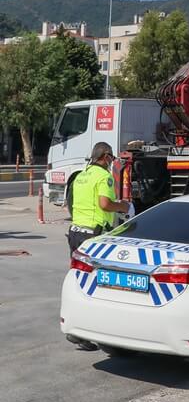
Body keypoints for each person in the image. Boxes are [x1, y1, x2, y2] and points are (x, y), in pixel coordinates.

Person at [67, 141, 131, 351]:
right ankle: (96, 330)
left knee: (78, 281)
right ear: (105, 157)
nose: (112, 162)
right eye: (111, 158)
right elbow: (105, 204)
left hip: (76, 232)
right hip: (93, 237)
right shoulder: (104, 176)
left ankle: (74, 328)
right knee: (100, 286)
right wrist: (123, 206)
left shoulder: (81, 176)